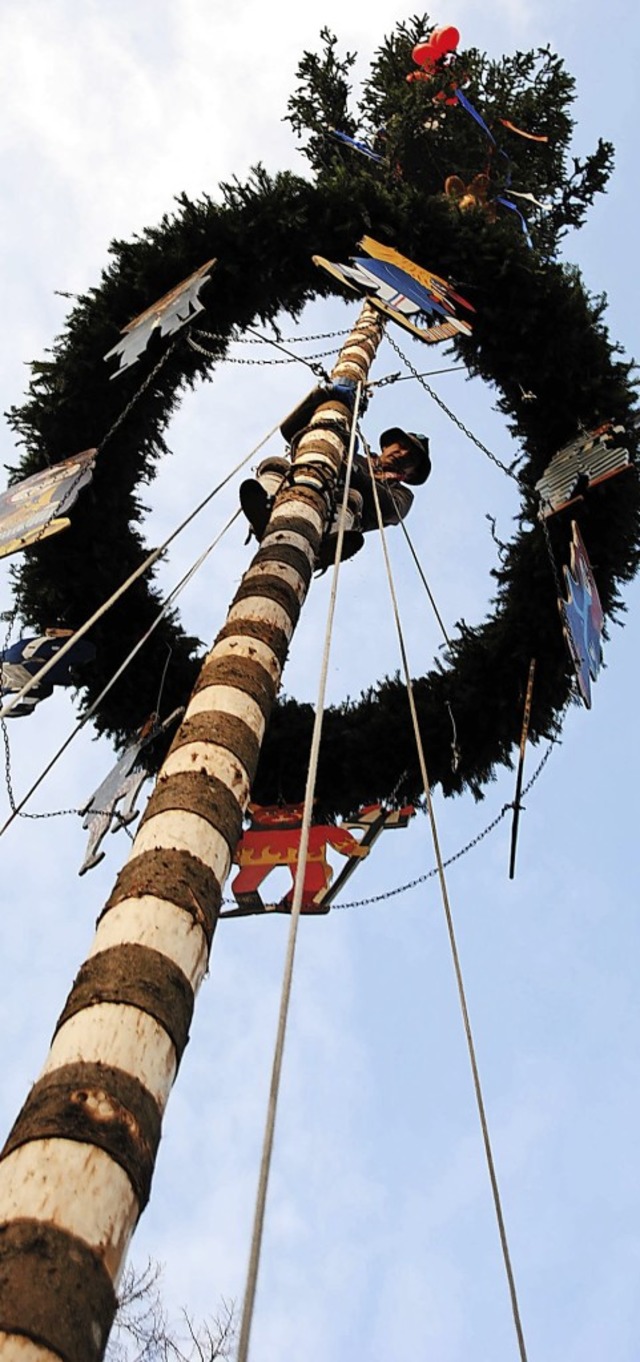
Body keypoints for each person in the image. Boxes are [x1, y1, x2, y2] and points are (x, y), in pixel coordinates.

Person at [239, 427, 431, 566]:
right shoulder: (352, 456)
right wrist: (323, 396)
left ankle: (328, 544)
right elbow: (291, 427)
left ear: (411, 473)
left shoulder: (402, 493)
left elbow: (391, 510)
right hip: (302, 492)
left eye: (411, 457)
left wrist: (353, 471)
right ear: (387, 446)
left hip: (334, 519)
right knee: (277, 464)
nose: (402, 453)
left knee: (351, 496)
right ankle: (265, 510)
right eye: (401, 445)